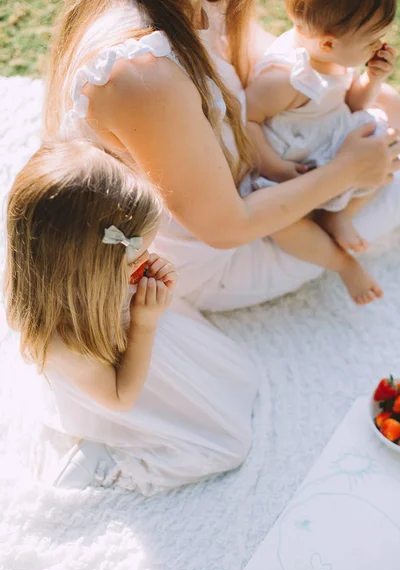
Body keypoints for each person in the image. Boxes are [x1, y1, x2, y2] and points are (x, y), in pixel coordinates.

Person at [44, 0, 400, 315]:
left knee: (390, 114)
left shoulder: (197, 4)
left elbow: (290, 64)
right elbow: (226, 229)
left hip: (239, 174)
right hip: (208, 254)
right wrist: (349, 170)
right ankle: (341, 257)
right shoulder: (141, 73)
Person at [5, 140, 259, 495]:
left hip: (149, 356)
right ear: (84, 274)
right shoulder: (62, 343)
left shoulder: (90, 280)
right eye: (132, 262)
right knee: (226, 447)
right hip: (121, 395)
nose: (144, 262)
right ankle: (109, 460)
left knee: (234, 385)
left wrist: (152, 282)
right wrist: (143, 323)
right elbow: (120, 398)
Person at [245, 0, 397, 304]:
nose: (379, 46)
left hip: (328, 136)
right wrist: (274, 167)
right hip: (292, 162)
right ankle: (342, 263)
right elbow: (246, 120)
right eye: (370, 41)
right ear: (328, 43)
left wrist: (372, 78)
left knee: (386, 150)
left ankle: (336, 212)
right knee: (282, 225)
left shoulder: (332, 55)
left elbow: (350, 103)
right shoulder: (285, 79)